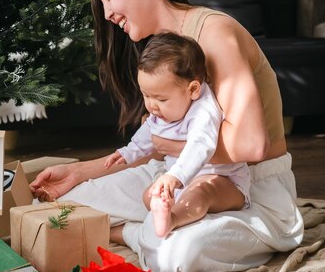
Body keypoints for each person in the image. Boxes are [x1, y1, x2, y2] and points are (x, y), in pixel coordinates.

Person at [30, 0, 304, 272]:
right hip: (177, 174)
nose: (107, 12)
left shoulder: (213, 33)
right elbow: (154, 144)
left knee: (175, 256)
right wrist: (79, 172)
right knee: (57, 208)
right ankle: (147, 228)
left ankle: (132, 233)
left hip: (245, 189)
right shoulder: (163, 48)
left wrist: (168, 148)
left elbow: (251, 145)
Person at [103, 32, 250, 238]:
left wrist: (175, 176)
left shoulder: (203, 112)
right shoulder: (162, 110)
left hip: (225, 181)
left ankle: (173, 220)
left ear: (193, 90)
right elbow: (149, 130)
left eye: (161, 99)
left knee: (200, 194)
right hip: (182, 179)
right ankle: (166, 211)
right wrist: (128, 152)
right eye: (146, 95)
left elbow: (200, 146)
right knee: (148, 196)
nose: (151, 106)